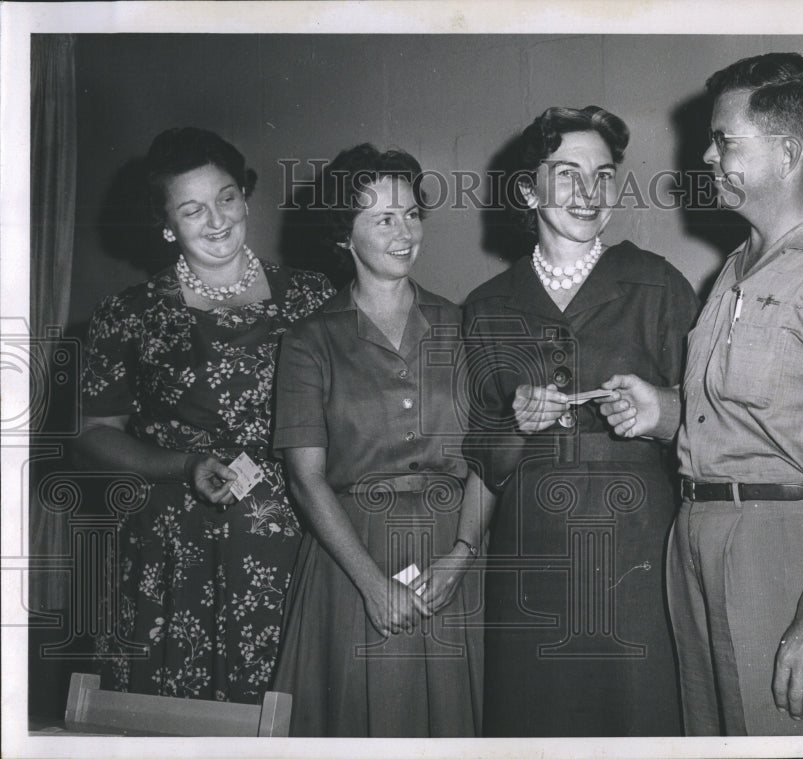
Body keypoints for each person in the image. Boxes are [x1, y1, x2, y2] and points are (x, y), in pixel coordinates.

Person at [629, 52, 803, 735]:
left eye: (724, 139)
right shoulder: (733, 271)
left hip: (789, 551)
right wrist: (662, 412)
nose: (706, 153)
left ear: (785, 153)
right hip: (698, 540)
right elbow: (752, 420)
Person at [462, 106, 698, 736]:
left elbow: (710, 421)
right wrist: (517, 424)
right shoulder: (488, 306)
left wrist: (660, 413)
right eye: (566, 174)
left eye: (603, 175)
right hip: (531, 552)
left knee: (639, 714)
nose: (589, 193)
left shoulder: (658, 286)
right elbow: (484, 459)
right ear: (527, 189)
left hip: (638, 550)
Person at [77, 127, 333, 703]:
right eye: (192, 210)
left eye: (226, 198)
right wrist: (183, 465)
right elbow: (94, 436)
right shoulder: (128, 314)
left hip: (292, 532)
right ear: (166, 225)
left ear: (245, 196)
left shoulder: (314, 298)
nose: (217, 220)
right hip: (175, 544)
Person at [270, 144, 488, 737]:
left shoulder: (463, 324)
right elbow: (304, 478)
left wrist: (462, 553)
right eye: (383, 218)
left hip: (453, 552)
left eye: (413, 214)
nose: (405, 232)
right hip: (353, 558)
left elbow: (487, 460)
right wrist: (371, 584)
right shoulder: (310, 341)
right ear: (345, 234)